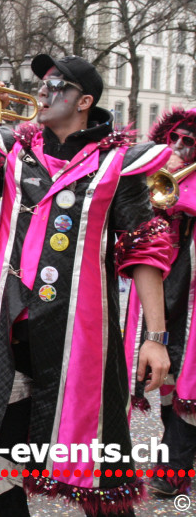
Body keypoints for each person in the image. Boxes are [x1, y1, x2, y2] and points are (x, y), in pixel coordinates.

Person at [0, 55, 172, 516]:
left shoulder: (119, 163)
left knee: (97, 466)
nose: (43, 93)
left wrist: (155, 338)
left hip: (80, 337)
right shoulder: (12, 149)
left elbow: (145, 250)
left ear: (84, 102)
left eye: (57, 86)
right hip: (5, 329)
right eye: (42, 84)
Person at [123, 107, 196, 497]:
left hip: (192, 283)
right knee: (166, 373)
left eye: (190, 141)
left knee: (192, 375)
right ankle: (176, 454)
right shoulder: (157, 170)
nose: (180, 147)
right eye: (176, 139)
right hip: (166, 278)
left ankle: (174, 466)